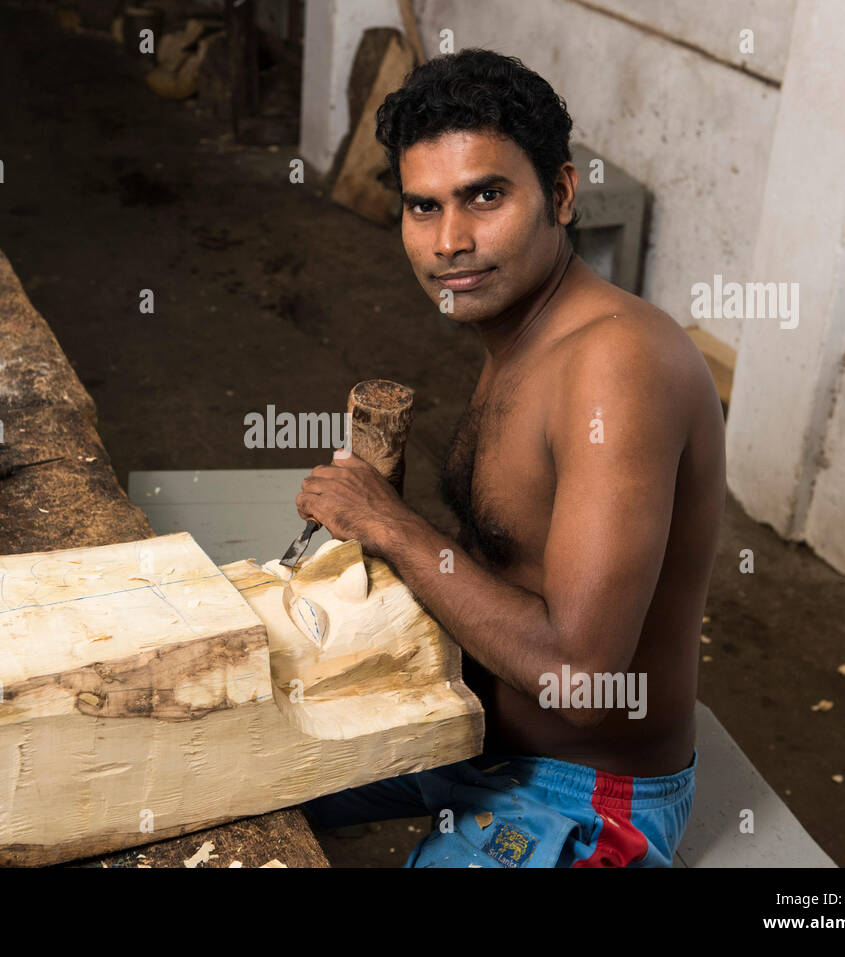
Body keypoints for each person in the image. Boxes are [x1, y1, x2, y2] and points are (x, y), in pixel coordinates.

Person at [295, 49, 726, 867]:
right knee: (206, 776)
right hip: (463, 728)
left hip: (579, 791)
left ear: (559, 194)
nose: (450, 241)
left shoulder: (617, 364)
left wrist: (392, 525)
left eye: (484, 196)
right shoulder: (518, 330)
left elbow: (583, 677)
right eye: (423, 207)